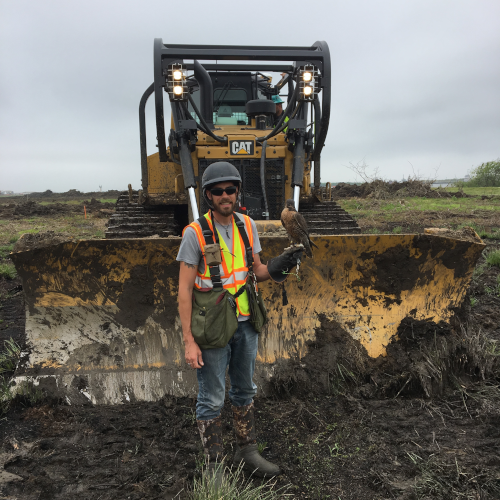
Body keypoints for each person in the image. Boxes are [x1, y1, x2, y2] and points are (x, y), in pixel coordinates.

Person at [176, 161, 302, 480]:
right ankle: (215, 465)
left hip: (246, 324)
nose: (225, 195)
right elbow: (184, 291)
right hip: (214, 328)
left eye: (230, 189)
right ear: (208, 196)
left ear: (237, 192)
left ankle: (247, 452)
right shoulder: (194, 234)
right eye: (217, 191)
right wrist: (189, 341)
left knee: (245, 389)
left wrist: (281, 265)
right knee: (213, 396)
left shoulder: (247, 225)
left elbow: (257, 271)